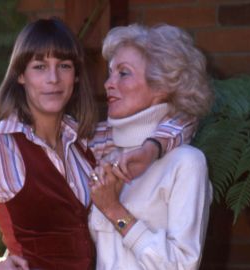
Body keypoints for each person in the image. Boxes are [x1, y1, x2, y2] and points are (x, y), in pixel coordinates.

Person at [0, 18, 195, 270]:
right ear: (20, 75)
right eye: (39, 66)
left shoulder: (87, 143)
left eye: (64, 66)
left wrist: (151, 147)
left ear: (76, 76)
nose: (53, 79)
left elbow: (184, 116)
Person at [89, 24, 213, 270]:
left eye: (123, 73)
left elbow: (181, 265)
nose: (108, 84)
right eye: (110, 73)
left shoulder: (186, 163)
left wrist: (115, 211)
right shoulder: (103, 152)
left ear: (161, 87)